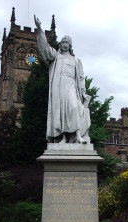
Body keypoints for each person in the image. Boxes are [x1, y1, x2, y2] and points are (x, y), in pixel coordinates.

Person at [34, 15, 91, 144]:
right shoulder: (56, 57)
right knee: (60, 112)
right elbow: (45, 48)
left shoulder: (76, 61)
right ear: (61, 44)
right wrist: (39, 29)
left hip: (71, 86)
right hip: (59, 87)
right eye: (63, 42)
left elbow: (81, 78)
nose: (64, 45)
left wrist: (83, 91)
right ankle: (63, 137)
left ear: (70, 46)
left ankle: (77, 135)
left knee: (74, 107)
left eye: (67, 43)